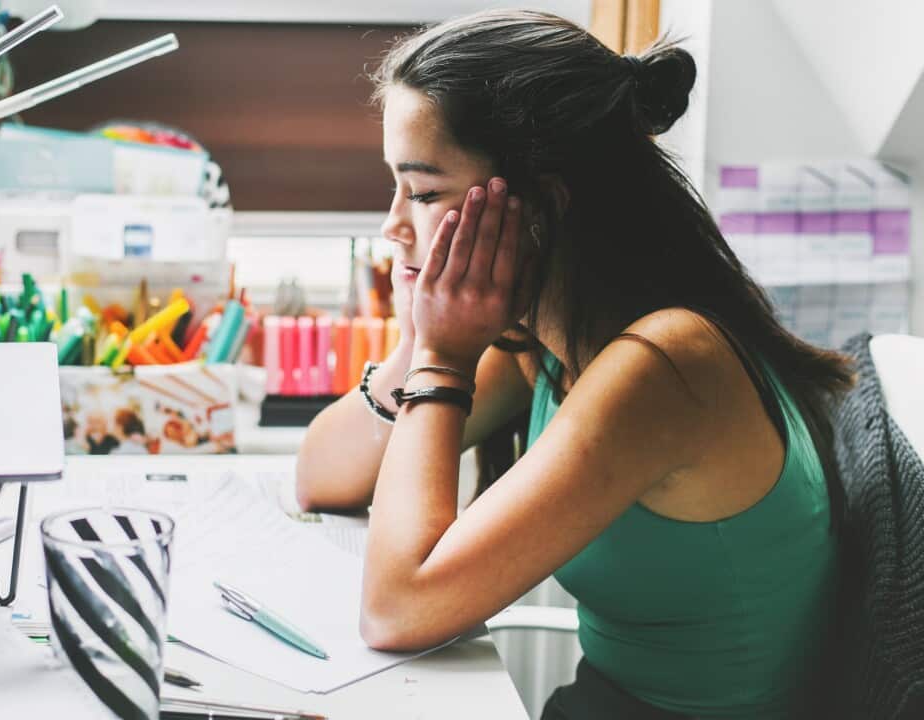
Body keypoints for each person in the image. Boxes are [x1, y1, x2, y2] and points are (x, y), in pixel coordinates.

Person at [294, 10, 853, 719]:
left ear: (542, 204)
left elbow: (397, 610)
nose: (393, 224)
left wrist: (442, 355)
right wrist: (418, 343)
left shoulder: (665, 365)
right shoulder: (549, 340)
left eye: (426, 192)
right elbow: (320, 476)